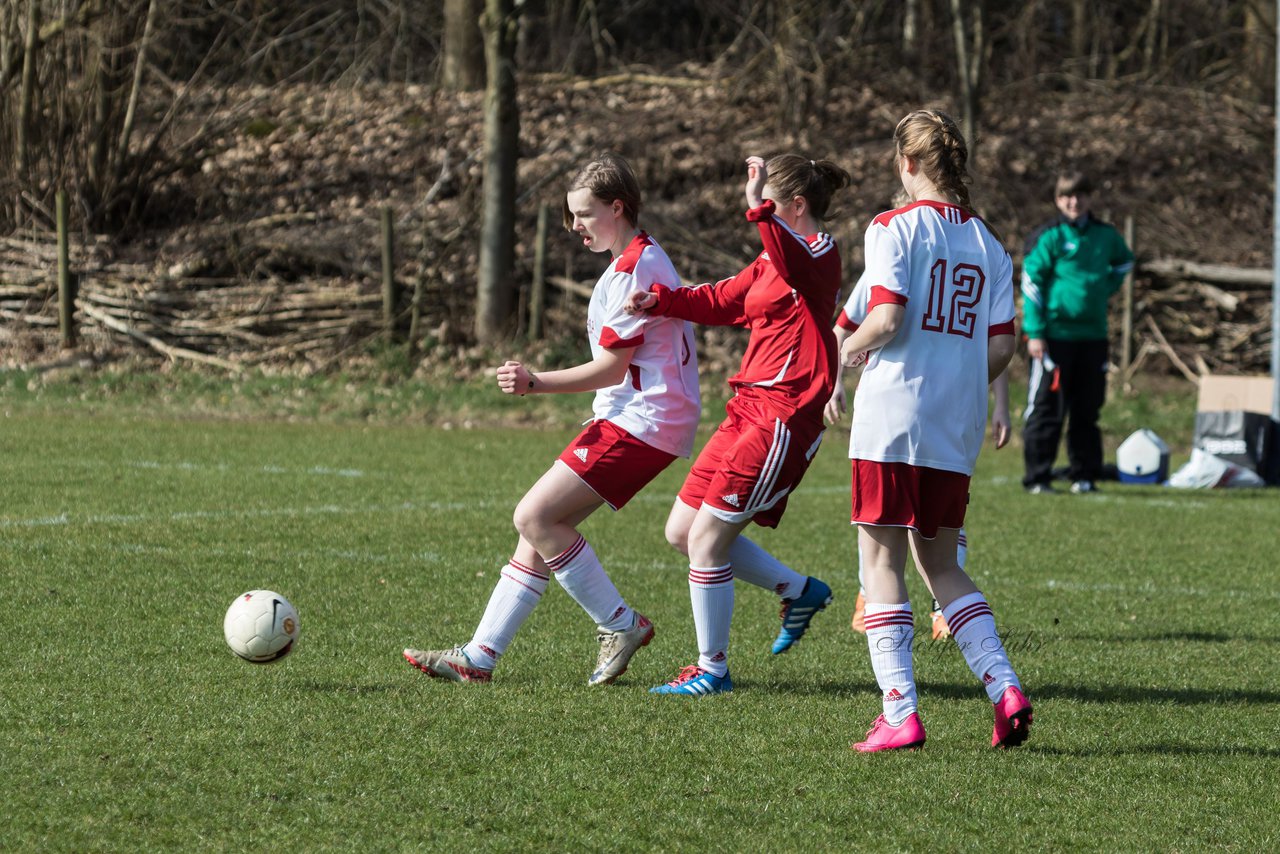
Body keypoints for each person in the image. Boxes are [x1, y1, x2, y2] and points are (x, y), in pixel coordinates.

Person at [403, 152, 701, 686]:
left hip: (645, 419)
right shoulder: (634, 261)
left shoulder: (637, 266)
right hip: (637, 417)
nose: (575, 227)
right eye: (570, 216)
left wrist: (535, 381)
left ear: (617, 207)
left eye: (584, 214)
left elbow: (612, 369)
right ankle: (479, 656)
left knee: (534, 516)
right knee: (536, 536)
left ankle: (620, 624)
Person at [840, 109, 1031, 751]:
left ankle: (900, 713)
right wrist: (954, 375)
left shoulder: (893, 227)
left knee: (881, 560)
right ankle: (1004, 688)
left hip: (895, 416)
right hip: (957, 423)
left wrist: (840, 353)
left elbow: (886, 318)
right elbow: (1002, 350)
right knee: (943, 564)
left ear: (909, 164)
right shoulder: (991, 245)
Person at [624, 153, 850, 696]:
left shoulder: (819, 254)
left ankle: (712, 671)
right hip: (746, 409)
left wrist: (757, 211)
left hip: (785, 415)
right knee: (682, 532)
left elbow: (793, 262)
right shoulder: (773, 259)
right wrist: (663, 301)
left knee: (706, 540)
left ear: (795, 206)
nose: (760, 209)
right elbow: (726, 299)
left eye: (771, 201)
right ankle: (799, 592)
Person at [826, 270, 1012, 641]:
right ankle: (870, 594)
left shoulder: (974, 251)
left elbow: (993, 341)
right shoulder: (899, 250)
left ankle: (939, 618)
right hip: (900, 410)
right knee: (884, 525)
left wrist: (1001, 404)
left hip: (942, 409)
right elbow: (844, 328)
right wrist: (834, 384)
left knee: (939, 524)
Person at [1021, 170, 1135, 495]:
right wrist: (1036, 332)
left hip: (1093, 337)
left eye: (1080, 195)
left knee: (1087, 409)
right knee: (1047, 409)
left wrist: (1101, 288)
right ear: (1058, 200)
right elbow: (1031, 282)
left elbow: (1125, 263)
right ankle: (1038, 477)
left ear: (1090, 198)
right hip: (1054, 338)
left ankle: (1083, 475)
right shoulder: (1050, 236)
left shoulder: (1105, 235)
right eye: (1067, 196)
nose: (1074, 202)